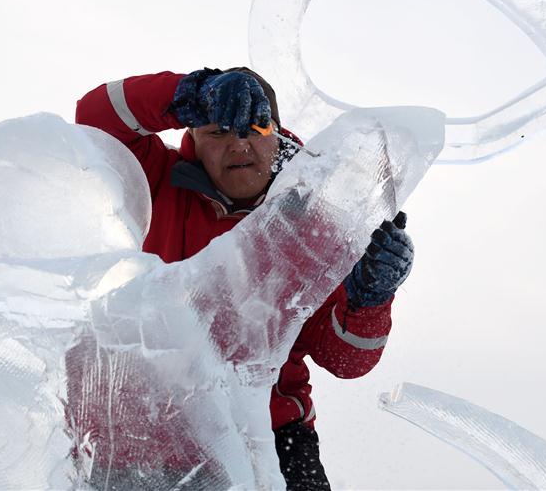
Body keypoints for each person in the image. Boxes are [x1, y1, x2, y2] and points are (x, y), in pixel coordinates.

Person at [75, 67, 414, 489]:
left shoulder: (313, 223)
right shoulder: (152, 178)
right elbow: (93, 118)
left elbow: (346, 361)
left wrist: (371, 298)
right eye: (217, 132)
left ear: (275, 132)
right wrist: (189, 91)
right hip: (133, 442)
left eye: (254, 128)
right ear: (193, 136)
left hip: (270, 442)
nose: (239, 144)